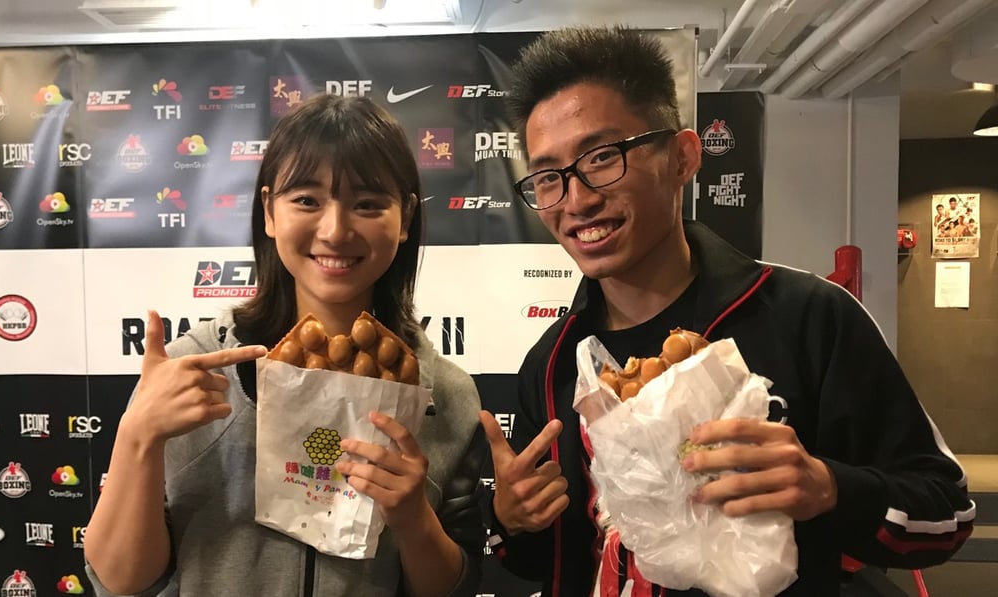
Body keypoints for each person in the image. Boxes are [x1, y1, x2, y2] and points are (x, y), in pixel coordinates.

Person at [478, 26, 975, 597]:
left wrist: (827, 487)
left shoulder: (807, 317)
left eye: (602, 157)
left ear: (683, 157)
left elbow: (948, 513)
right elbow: (542, 559)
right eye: (548, 178)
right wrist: (511, 520)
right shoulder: (552, 365)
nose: (577, 198)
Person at [84, 94, 487, 597]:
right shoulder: (193, 372)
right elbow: (119, 583)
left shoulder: (446, 396)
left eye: (367, 203)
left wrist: (413, 520)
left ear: (404, 218)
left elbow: (451, 588)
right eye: (307, 200)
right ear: (269, 212)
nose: (335, 230)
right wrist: (137, 437)